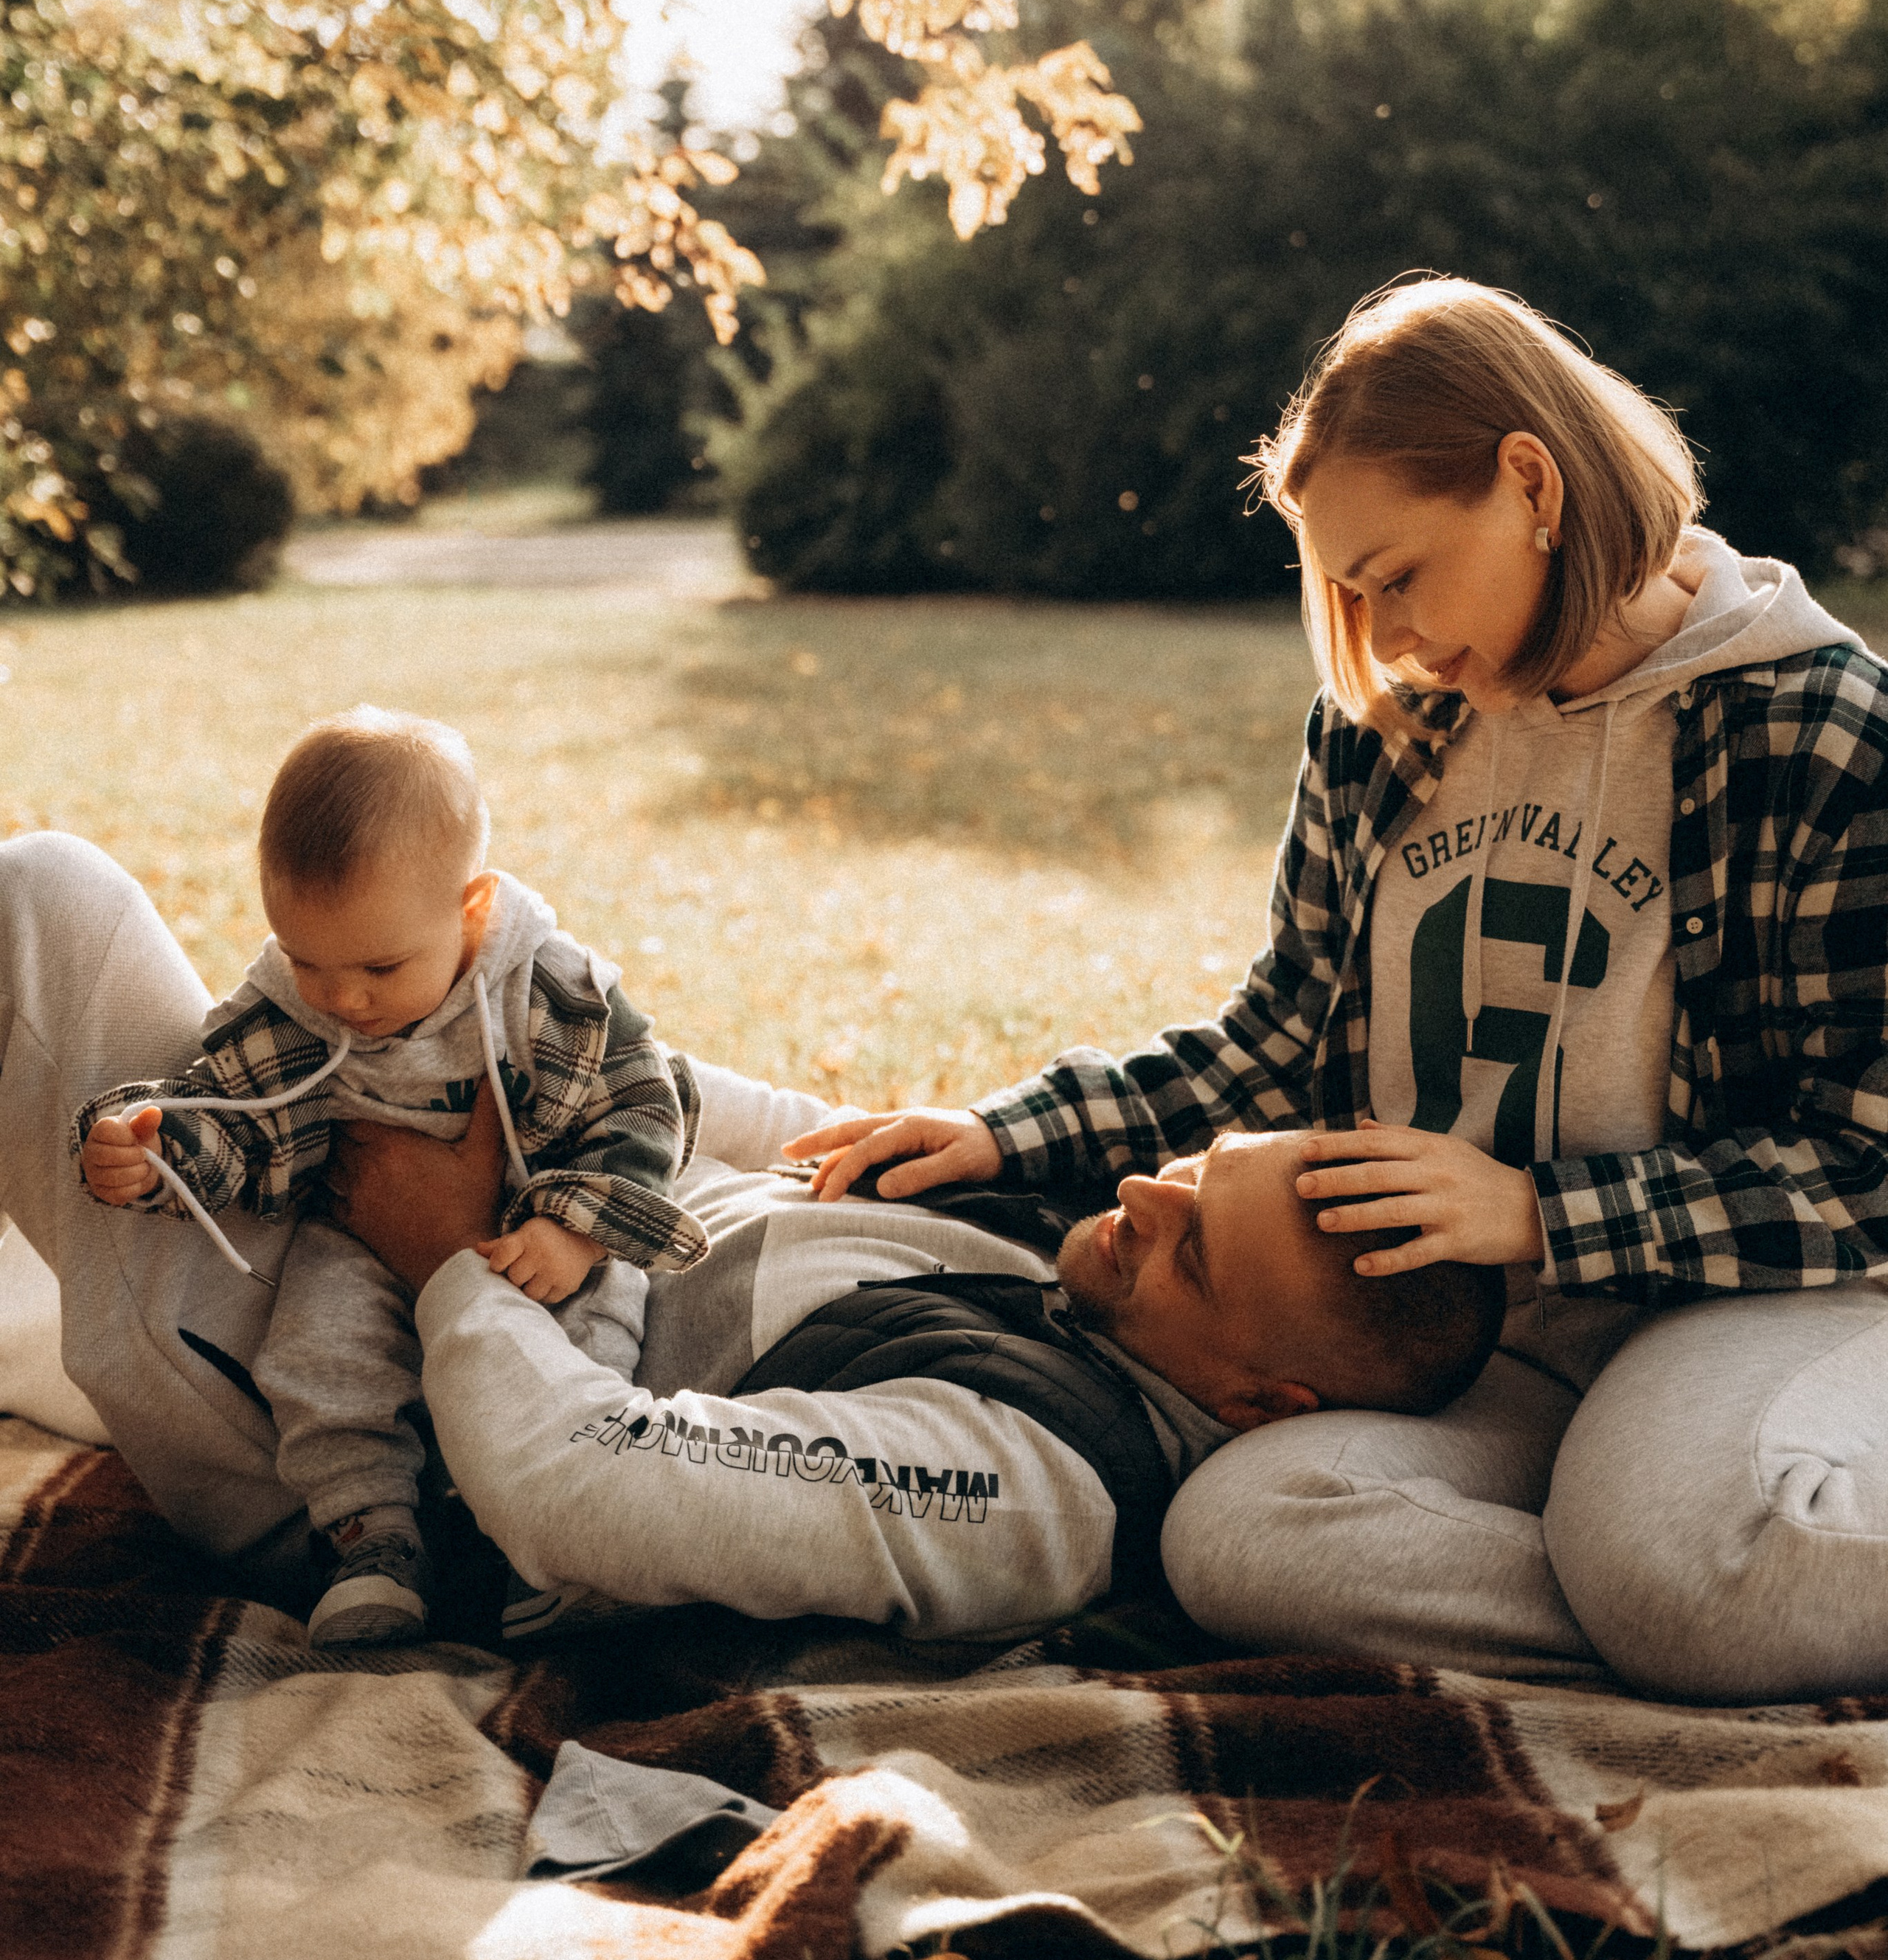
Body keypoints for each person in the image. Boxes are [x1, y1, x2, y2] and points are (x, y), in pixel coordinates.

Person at [787, 283, 1888, 1704]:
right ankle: (1653, 1608)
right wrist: (1008, 1133)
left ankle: (1685, 1575)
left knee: (1694, 1563)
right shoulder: (1390, 726)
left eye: (1397, 573)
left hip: (1736, 1300)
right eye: (1347, 591)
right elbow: (1283, 1037)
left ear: (1531, 482)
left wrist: (1542, 1214)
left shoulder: (1816, 727)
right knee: (1240, 1537)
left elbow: (1869, 1157)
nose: (1383, 633)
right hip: (1476, 1343)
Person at [0, 827, 1502, 1645]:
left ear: (1256, 1402)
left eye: (1193, 1248)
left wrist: (445, 1245)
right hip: (423, 1232)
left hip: (348, 1446)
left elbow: (577, 1489)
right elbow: (770, 1133)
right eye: (1195, 1171)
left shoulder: (1029, 1481)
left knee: (43, 908)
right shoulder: (1084, 1259)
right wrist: (543, 1060)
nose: (1147, 1199)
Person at [72, 709, 705, 1646]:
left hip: (532, 1227)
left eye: (379, 966)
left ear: (473, 908)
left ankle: (554, 1542)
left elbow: (646, 1104)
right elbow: (240, 1121)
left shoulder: (547, 990)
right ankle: (371, 1541)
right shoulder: (291, 1012)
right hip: (358, 1233)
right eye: (308, 960)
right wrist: (157, 1150)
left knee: (584, 1338)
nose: (345, 998)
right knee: (319, 1353)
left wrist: (574, 1227)